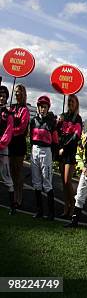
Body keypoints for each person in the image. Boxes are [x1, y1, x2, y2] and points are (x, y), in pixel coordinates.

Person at [30, 95, 58, 220]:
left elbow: (55, 140)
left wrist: (54, 154)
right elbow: (31, 137)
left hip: (46, 151)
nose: (42, 109)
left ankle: (51, 213)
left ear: (48, 108)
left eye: (44, 107)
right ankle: (39, 211)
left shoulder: (52, 122)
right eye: (40, 106)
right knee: (36, 182)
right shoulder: (33, 120)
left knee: (47, 182)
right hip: (34, 150)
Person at [57, 94, 83, 218]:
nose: (70, 104)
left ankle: (73, 204)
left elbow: (75, 137)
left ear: (76, 103)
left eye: (73, 102)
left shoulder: (78, 119)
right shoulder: (63, 116)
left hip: (69, 152)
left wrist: (64, 148)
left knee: (67, 181)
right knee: (63, 182)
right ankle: (65, 207)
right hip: (61, 152)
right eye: (69, 102)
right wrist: (58, 123)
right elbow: (58, 133)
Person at [9, 83, 29, 209]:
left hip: (19, 142)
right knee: (11, 171)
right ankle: (13, 196)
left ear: (23, 94)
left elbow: (22, 128)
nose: (17, 94)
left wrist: (10, 132)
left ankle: (19, 197)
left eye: (19, 92)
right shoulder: (12, 107)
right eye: (16, 91)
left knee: (18, 170)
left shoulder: (25, 110)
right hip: (10, 142)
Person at [0, 85, 15, 214]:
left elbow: (8, 132)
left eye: (4, 97)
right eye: (0, 96)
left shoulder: (9, 114)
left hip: (2, 149)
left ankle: (12, 206)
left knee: (6, 176)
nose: (1, 98)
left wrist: (1, 144)